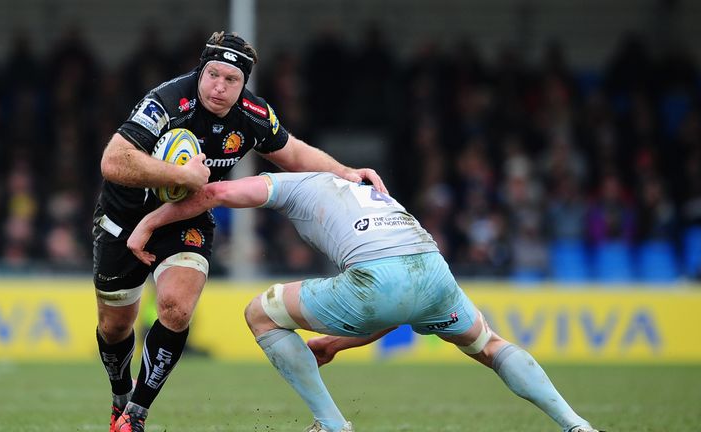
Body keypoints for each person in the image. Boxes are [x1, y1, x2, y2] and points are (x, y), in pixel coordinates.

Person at [127, 172, 600, 432]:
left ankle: (331, 425)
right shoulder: (367, 194)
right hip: (432, 270)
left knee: (261, 314)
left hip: (380, 276)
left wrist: (149, 222)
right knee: (491, 346)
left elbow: (217, 193)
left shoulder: (296, 185)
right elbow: (402, 305)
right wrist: (335, 344)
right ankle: (577, 425)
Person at [94, 31, 386, 432]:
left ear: (243, 83)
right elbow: (114, 161)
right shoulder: (166, 102)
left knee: (176, 309)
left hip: (185, 217)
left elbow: (294, 153)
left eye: (231, 80)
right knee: (115, 328)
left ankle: (136, 415)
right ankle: (119, 397)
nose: (219, 86)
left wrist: (346, 173)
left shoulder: (252, 114)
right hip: (123, 217)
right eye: (213, 74)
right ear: (201, 70)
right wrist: (182, 174)